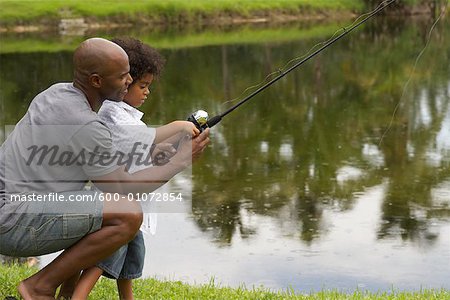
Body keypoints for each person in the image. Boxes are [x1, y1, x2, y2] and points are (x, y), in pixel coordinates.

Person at [0, 37, 209, 300]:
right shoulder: (87, 124)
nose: (130, 81)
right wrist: (180, 161)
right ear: (97, 81)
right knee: (127, 213)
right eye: (123, 76)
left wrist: (157, 153)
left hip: (11, 209)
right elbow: (123, 189)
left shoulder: (55, 94)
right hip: (12, 222)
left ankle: (67, 292)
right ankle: (39, 287)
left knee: (100, 204)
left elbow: (105, 161)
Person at [71, 37, 198, 300]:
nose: (146, 92)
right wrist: (179, 127)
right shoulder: (111, 112)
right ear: (123, 83)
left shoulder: (126, 116)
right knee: (103, 258)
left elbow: (137, 146)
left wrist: (161, 151)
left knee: (131, 260)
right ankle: (76, 297)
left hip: (131, 205)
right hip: (116, 206)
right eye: (142, 85)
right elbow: (143, 138)